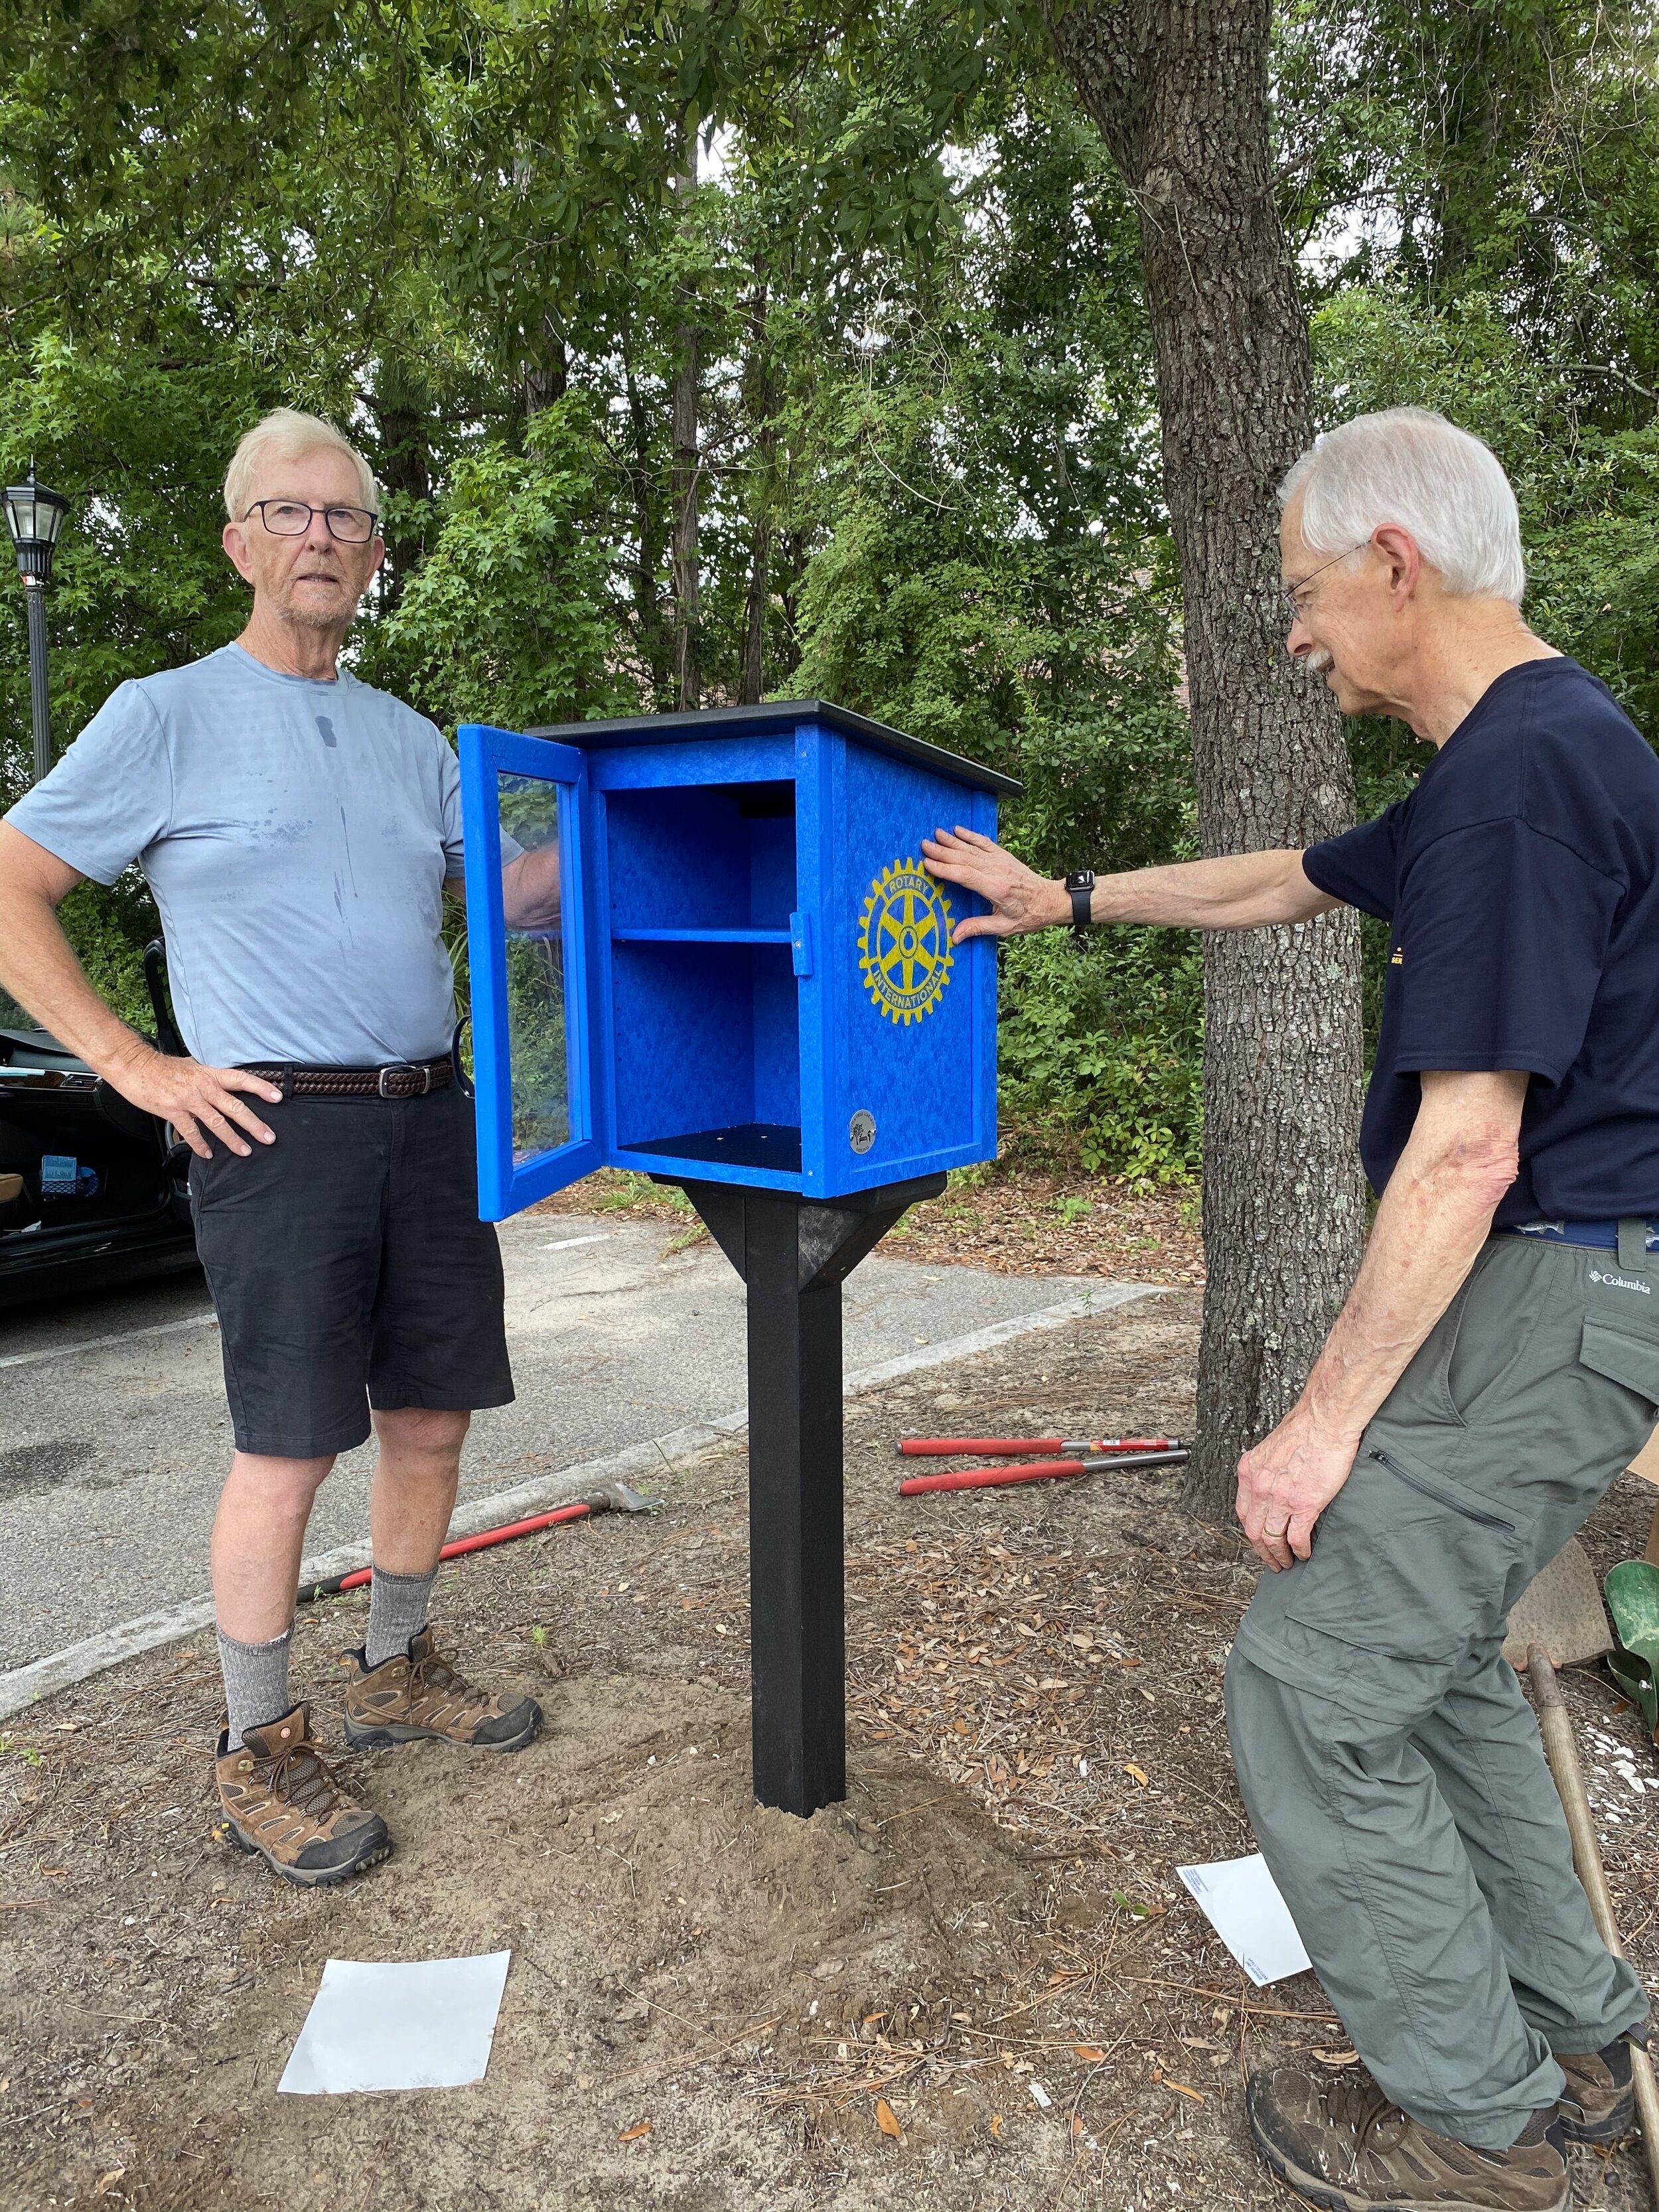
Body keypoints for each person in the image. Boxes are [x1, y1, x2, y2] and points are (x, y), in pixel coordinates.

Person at [922, 406, 1656, 2212]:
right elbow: (1279, 879)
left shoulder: (1517, 782)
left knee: (1310, 1684)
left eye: (1303, 592)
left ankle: (1474, 2128)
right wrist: (1062, 898)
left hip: (1545, 1284)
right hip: (1571, 1290)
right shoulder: (1529, 759)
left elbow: (1467, 1148)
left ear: (1394, 563)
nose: (1296, 632)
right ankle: (1574, 2039)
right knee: (1431, 1663)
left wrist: (1317, 1417)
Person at [0, 408, 561, 1888]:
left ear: (375, 552)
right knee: (290, 1442)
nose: (323, 538)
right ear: (241, 538)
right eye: (293, 514)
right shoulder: (163, 712)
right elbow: (12, 881)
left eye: (349, 518)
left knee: (432, 1417)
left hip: (430, 1113)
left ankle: (393, 1662)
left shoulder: (409, 738)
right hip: (273, 1128)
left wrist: (693, 821)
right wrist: (129, 1064)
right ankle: (257, 1746)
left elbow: (512, 898)